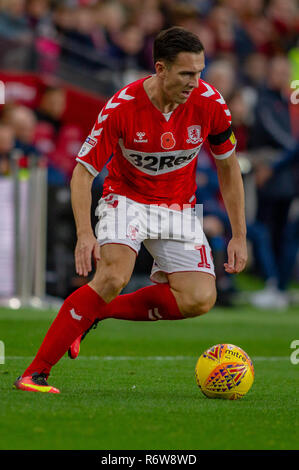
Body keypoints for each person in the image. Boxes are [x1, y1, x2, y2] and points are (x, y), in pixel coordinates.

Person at [14, 27, 247, 394]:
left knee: (199, 298)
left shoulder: (210, 103)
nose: (195, 82)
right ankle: (35, 372)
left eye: (200, 71)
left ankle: (95, 312)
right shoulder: (122, 107)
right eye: (187, 73)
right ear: (160, 69)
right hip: (127, 199)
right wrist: (85, 234)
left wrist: (239, 234)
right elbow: (81, 173)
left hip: (178, 206)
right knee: (112, 277)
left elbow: (229, 168)